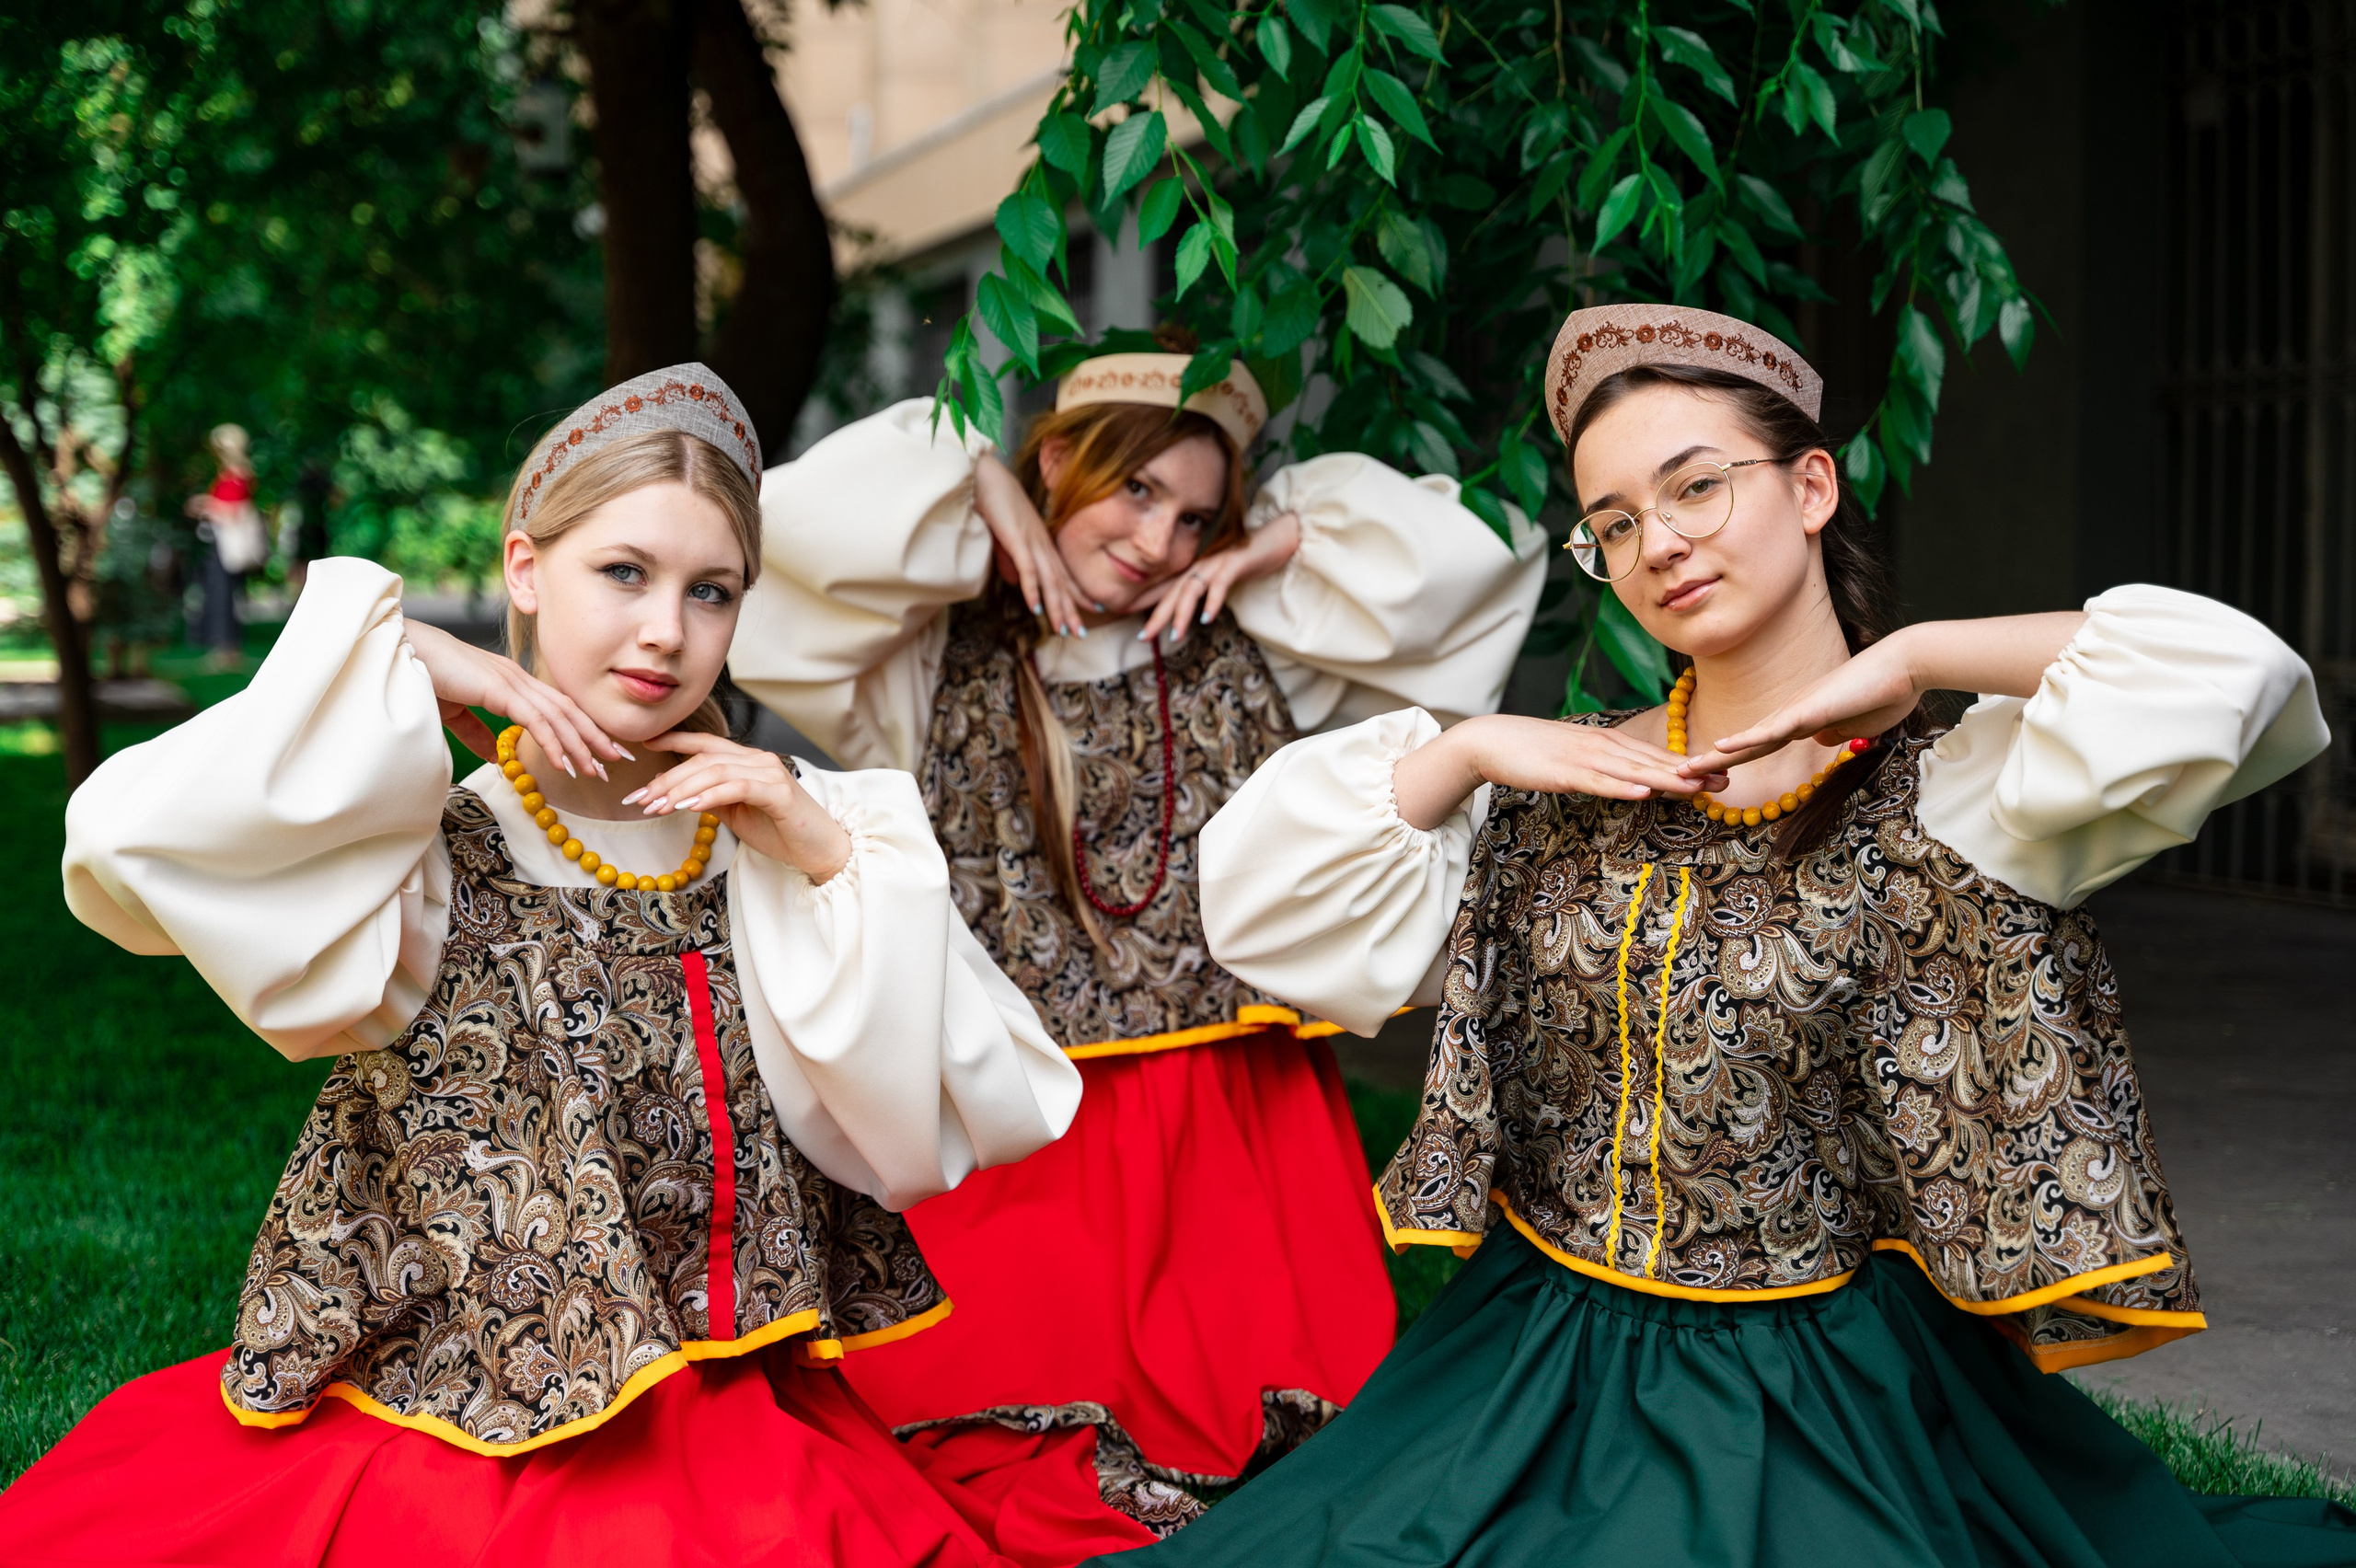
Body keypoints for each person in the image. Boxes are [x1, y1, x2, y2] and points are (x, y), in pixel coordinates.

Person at [1122, 306, 2356, 1566]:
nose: (1659, 543)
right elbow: (1264, 915)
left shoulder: (1962, 791)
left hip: (1816, 1383)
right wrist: (1471, 748)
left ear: (1812, 484)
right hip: (1528, 1354)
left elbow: (2241, 683)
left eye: (1696, 487)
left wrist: (1919, 657)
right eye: (1613, 523)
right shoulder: (1552, 781)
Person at [0, 365, 1148, 1567]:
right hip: (469, 1416)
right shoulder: (420, 850)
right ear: (523, 568)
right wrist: (398, 665)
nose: (666, 631)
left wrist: (826, 858)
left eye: (713, 592)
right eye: (624, 573)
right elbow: (123, 842)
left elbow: (988, 1099)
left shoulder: (781, 840)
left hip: (742, 1419)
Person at [727, 334, 1549, 1523]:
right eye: (1137, 489)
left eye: (1195, 518)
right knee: (986, 1439)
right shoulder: (927, 650)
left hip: (1231, 1125)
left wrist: (1270, 548)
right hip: (1018, 1116)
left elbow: (1479, 553)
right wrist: (984, 487)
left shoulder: (1250, 633)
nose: (1160, 542)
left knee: (1275, 1454)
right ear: (1060, 458)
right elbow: (789, 532)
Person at [184, 422, 270, 666]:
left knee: (223, 594)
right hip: (220, 543)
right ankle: (222, 647)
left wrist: (205, 505)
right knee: (218, 592)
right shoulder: (231, 474)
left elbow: (233, 512)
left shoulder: (238, 475)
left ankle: (227, 649)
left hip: (228, 544)